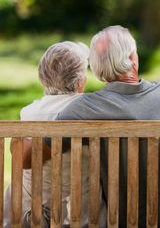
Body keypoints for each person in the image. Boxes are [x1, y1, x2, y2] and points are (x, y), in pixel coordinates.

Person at [23, 26, 160, 227]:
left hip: (130, 221)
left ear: (98, 71)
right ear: (134, 59)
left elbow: (27, 158)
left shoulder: (85, 108)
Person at [4, 41, 106, 228]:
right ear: (81, 81)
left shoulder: (29, 113)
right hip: (83, 217)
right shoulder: (92, 110)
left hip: (31, 217)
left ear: (42, 77)